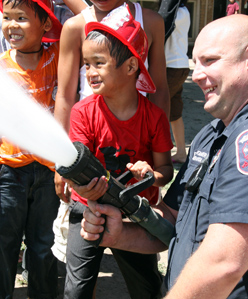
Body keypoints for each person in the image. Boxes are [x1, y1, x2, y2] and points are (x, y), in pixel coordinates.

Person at [81, 14, 248, 298]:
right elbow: (170, 220)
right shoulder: (211, 134)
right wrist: (119, 234)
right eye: (195, 63)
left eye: (210, 60)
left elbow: (225, 263)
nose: (197, 74)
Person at [62, 5, 173, 298]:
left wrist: (151, 175)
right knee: (76, 289)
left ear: (131, 67)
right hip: (89, 208)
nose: (90, 72)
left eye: (98, 63)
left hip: (135, 215)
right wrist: (81, 185)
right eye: (86, 64)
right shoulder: (82, 112)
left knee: (146, 288)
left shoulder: (155, 117)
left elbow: (166, 171)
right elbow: (79, 167)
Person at [0, 0, 62, 298]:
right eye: (6, 17)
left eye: (22, 17)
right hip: (7, 170)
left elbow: (88, 23)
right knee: (3, 240)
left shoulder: (59, 56)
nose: (12, 24)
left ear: (46, 24)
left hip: (49, 172)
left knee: (43, 245)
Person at [53, 0, 169, 146]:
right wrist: (62, 153)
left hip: (139, 138)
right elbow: (65, 96)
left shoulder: (151, 22)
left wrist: (160, 143)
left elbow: (160, 89)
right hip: (89, 138)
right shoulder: (74, 26)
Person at [163, 0, 190, 164]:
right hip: (181, 65)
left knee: (157, 110)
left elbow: (163, 25)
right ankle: (180, 151)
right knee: (174, 112)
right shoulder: (184, 11)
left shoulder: (172, 13)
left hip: (169, 66)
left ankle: (159, 153)